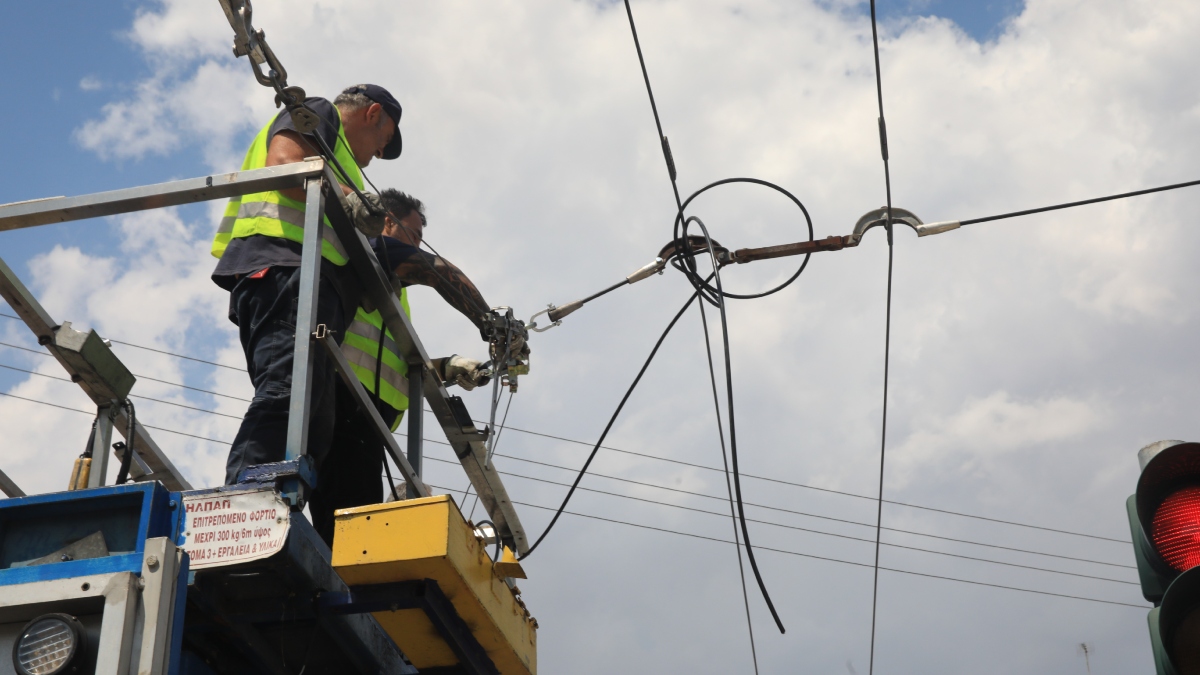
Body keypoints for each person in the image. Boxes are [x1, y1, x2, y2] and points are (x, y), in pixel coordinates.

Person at [210, 84, 402, 497]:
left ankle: (276, 507)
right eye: (384, 141)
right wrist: (352, 201)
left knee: (312, 420)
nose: (378, 156)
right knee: (288, 391)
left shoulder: (337, 155)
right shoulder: (318, 115)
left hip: (305, 279)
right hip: (285, 267)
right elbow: (285, 163)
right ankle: (241, 507)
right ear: (372, 114)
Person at [310, 189, 497, 543]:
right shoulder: (373, 247)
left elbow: (394, 362)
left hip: (359, 413)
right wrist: (491, 323)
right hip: (347, 402)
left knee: (339, 529)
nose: (417, 246)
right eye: (414, 235)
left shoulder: (391, 292)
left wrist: (447, 367)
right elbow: (437, 269)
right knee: (352, 531)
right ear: (388, 223)